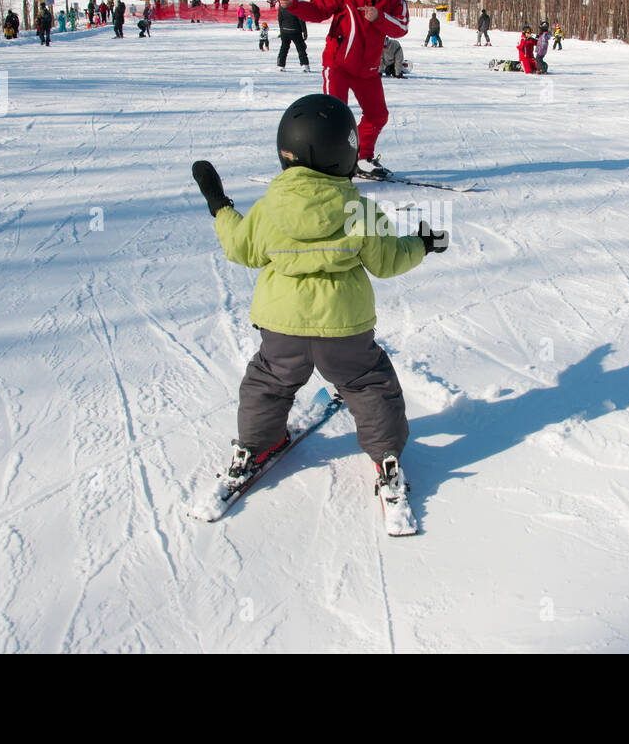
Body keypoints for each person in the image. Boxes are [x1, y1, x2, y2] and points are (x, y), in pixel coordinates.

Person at [190, 94, 447, 509]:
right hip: (344, 330)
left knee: (269, 382)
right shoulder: (356, 210)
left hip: (282, 329)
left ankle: (254, 446)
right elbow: (387, 261)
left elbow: (241, 249)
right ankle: (386, 457)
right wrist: (421, 242)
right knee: (367, 382)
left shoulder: (269, 209)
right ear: (344, 152)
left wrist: (219, 205)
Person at [276, 0, 409, 178]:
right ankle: (325, 165)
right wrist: (295, 6)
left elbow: (402, 26)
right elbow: (317, 9)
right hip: (338, 65)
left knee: (378, 115)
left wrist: (380, 17)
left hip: (368, 70)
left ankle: (362, 157)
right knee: (333, 118)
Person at [276, 4, 310, 71]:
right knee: (300, 48)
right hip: (295, 31)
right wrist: (304, 31)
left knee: (284, 48)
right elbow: (301, 20)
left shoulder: (282, 7)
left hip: (285, 30)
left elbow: (280, 19)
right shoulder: (297, 7)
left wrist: (281, 29)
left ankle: (281, 65)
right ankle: (304, 65)